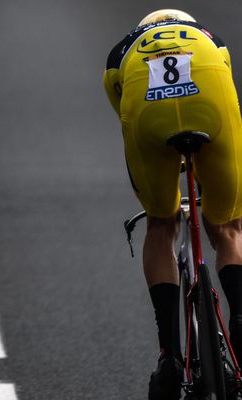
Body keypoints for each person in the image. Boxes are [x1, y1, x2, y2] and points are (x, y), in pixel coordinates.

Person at [103, 9, 242, 400]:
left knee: (162, 224)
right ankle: (241, 319)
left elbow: (125, 115)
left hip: (149, 114)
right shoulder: (211, 38)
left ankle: (169, 355)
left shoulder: (120, 53)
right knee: (228, 225)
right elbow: (228, 93)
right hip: (211, 99)